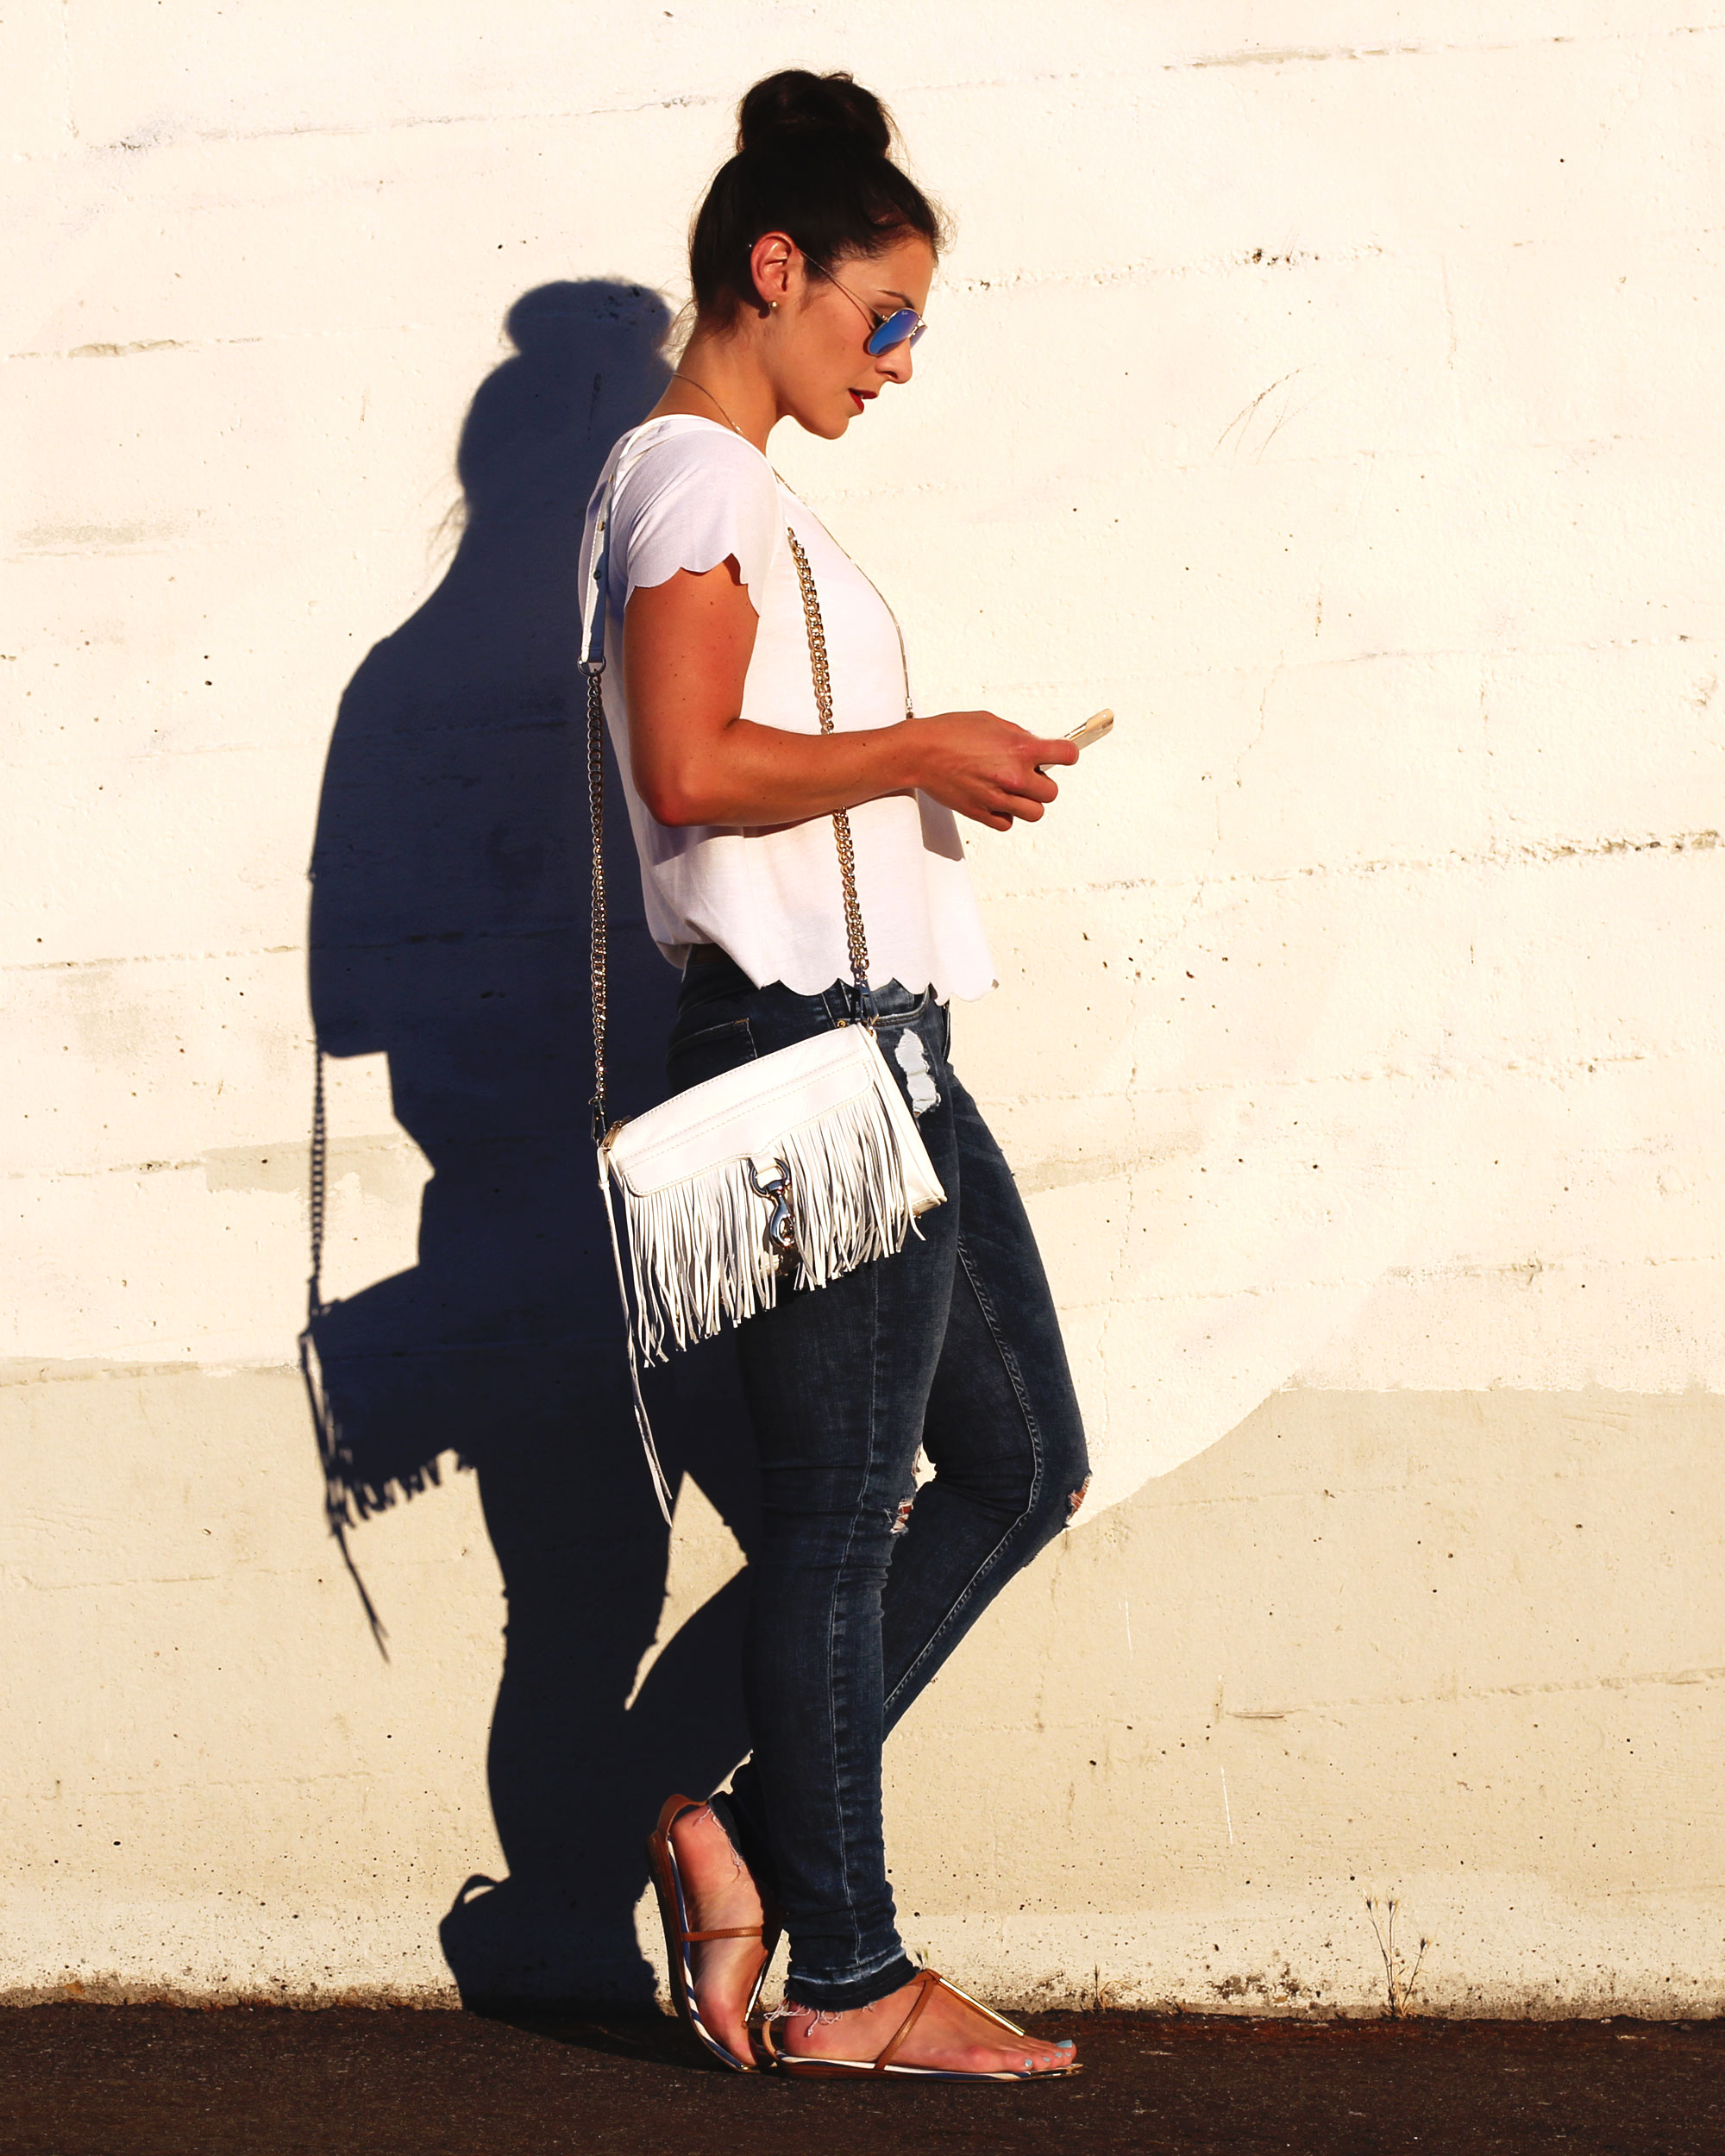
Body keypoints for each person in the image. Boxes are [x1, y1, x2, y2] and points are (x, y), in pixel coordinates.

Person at [585, 67, 1090, 2080]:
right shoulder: (695, 482)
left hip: (872, 1049)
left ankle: (735, 1830)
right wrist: (922, 746)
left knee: (1020, 1459)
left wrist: (935, 768)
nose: (898, 363)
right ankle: (851, 1970)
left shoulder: (737, 494)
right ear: (772, 270)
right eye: (880, 318)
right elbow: (687, 772)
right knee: (834, 1505)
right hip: (804, 1053)